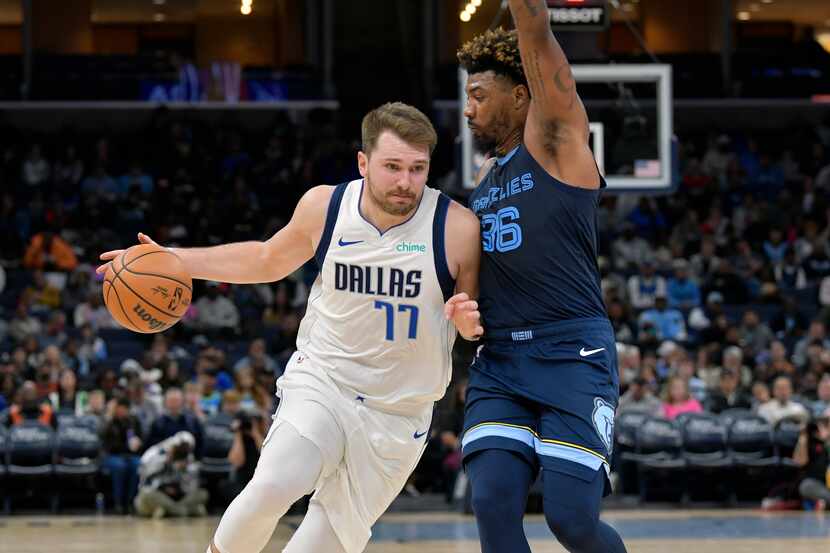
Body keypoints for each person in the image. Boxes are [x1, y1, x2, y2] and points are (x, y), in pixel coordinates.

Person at [98, 102, 482, 553]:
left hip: (398, 414)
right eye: (392, 166)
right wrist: (174, 258)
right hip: (325, 382)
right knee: (272, 486)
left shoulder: (456, 227)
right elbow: (265, 259)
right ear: (363, 162)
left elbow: (473, 322)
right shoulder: (327, 206)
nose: (405, 182)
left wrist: (471, 324)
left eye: (418, 169)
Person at [456, 3, 627, 551]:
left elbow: (535, 28)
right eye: (467, 96)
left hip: (570, 350)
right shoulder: (483, 181)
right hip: (502, 359)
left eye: (479, 94)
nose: (468, 109)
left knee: (571, 520)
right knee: (491, 503)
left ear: (523, 94)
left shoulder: (555, 142)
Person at [134, 431, 208, 518]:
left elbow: (192, 486)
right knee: (146, 493)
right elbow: (143, 474)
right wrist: (166, 461)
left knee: (203, 493)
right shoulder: (155, 452)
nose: (182, 452)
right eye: (181, 448)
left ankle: (168, 510)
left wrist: (184, 470)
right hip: (158, 493)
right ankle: (183, 511)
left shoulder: (188, 458)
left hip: (178, 496)